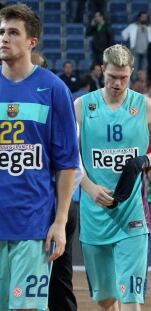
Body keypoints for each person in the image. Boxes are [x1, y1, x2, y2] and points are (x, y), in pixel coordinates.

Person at [0, 4, 79, 311]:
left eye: (13, 32)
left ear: (32, 41)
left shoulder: (54, 89)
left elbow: (67, 164)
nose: (4, 38)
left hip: (32, 225)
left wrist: (59, 222)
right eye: (2, 32)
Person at [75, 44, 151, 311]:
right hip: (94, 213)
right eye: (112, 76)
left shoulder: (145, 106)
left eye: (124, 77)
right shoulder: (81, 106)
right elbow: (67, 157)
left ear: (132, 73)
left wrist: (146, 159)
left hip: (132, 214)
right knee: (105, 300)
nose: (118, 83)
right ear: (102, 70)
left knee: (131, 297)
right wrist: (88, 187)